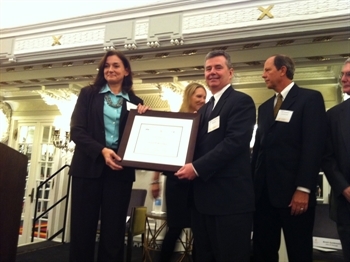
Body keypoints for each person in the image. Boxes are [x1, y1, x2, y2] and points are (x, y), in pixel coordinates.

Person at [175, 50, 256, 261]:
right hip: (202, 201)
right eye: (208, 68)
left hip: (230, 201)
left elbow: (234, 143)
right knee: (204, 256)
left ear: (230, 72)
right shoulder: (204, 109)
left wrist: (197, 168)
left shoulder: (241, 101)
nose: (212, 72)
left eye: (218, 67)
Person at [69, 50, 148, 262]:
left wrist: (144, 120)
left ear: (126, 71)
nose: (110, 69)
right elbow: (77, 131)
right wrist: (101, 150)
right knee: (82, 230)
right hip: (87, 169)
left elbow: (139, 137)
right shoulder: (88, 94)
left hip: (119, 172)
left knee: (113, 234)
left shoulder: (136, 101)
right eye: (106, 66)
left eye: (115, 66)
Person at [251, 54, 327, 261]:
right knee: (262, 251)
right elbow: (259, 151)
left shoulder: (309, 99)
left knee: (298, 252)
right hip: (264, 196)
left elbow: (313, 147)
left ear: (282, 70)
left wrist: (303, 189)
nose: (263, 75)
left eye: (267, 70)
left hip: (295, 197)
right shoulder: (265, 108)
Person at [150, 82, 207, 262]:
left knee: (200, 230)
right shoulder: (177, 119)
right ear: (189, 96)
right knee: (175, 227)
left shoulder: (206, 120)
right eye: (198, 96)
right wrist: (154, 180)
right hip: (176, 182)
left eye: (204, 97)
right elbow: (163, 151)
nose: (202, 100)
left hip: (198, 182)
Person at [321, 58, 350, 261]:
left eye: (348, 74)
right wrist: (344, 188)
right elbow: (327, 157)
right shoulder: (333, 116)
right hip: (346, 202)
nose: (343, 79)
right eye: (342, 74)